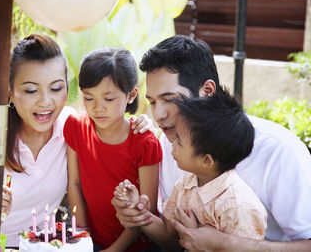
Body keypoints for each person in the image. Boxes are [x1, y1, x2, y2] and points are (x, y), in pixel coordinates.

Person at [0, 34, 153, 247]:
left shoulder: (70, 126)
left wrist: (141, 123)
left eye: (56, 88)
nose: (45, 102)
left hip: (40, 246)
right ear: (9, 92)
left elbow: (113, 122)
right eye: (30, 90)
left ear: (67, 91)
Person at [112, 35, 311, 251]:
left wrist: (227, 244)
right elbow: (174, 241)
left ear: (207, 91)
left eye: (170, 99)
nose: (158, 114)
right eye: (152, 101)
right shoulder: (170, 145)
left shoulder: (279, 151)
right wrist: (139, 217)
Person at [115, 88, 268, 248]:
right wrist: (138, 211)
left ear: (206, 160)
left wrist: (198, 239)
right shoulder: (187, 182)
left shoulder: (237, 207)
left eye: (179, 141)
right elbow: (167, 232)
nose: (171, 145)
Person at [64, 48, 162, 251]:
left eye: (108, 99)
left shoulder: (145, 142)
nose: (98, 107)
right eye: (89, 98)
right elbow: (73, 184)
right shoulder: (76, 127)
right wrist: (83, 237)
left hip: (138, 247)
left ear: (131, 95)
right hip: (92, 242)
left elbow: (146, 208)